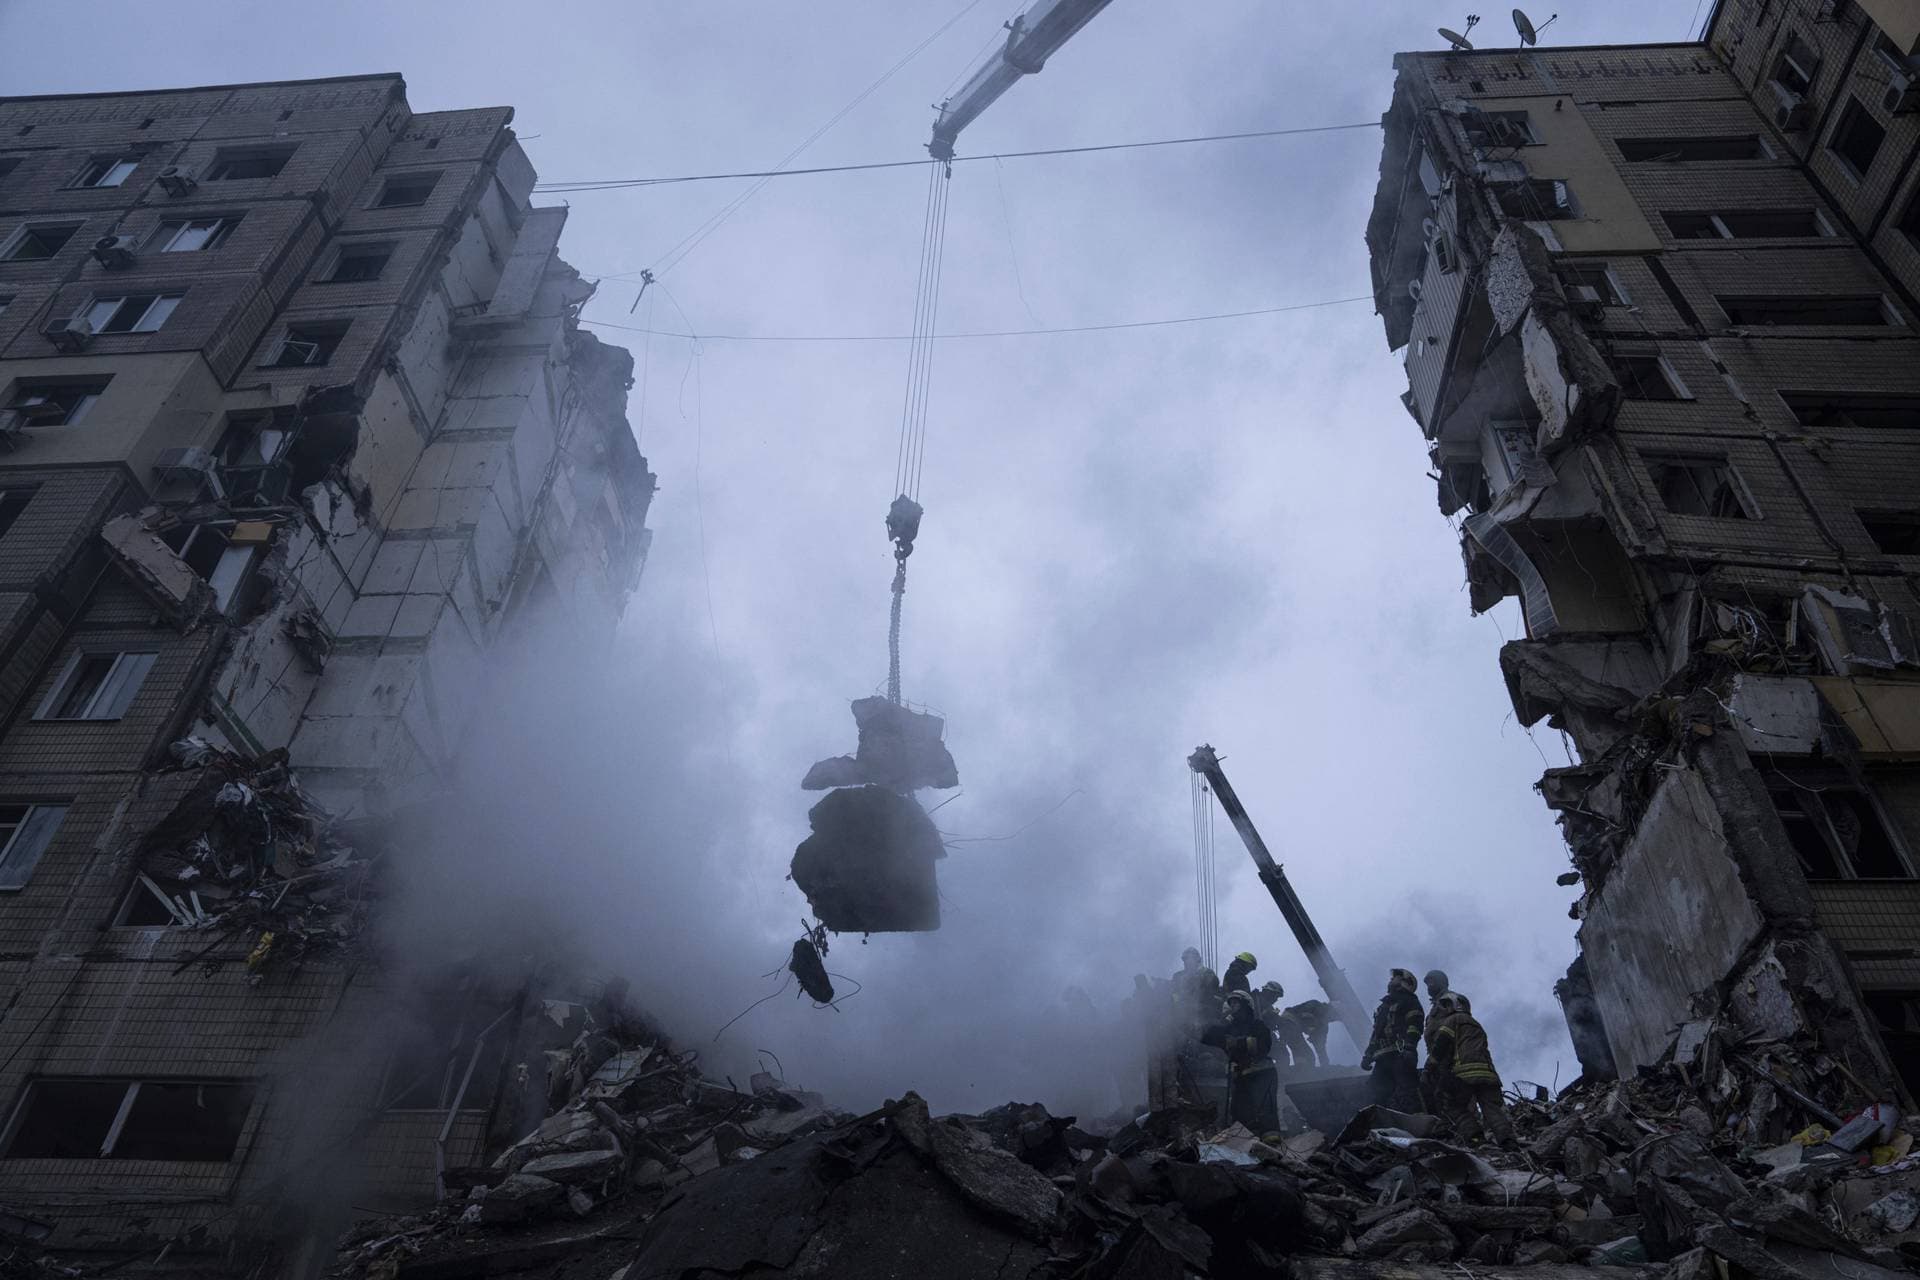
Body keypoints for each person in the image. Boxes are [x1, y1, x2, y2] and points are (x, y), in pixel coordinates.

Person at [1427, 993, 1515, 1145]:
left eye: (1447, 1005)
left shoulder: (1451, 1021)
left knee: (1454, 1105)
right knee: (1492, 1108)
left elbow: (1441, 1045)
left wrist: (1431, 1066)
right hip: (1488, 1074)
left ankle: (1476, 1137)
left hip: (1463, 1073)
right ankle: (1508, 1141)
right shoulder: (1476, 1024)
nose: (1445, 1009)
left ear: (1456, 1005)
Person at [1205, 991, 1279, 1135]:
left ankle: (1272, 1149)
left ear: (1246, 1005)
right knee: (1240, 1115)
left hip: (1262, 1074)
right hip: (1242, 1077)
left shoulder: (1257, 1025)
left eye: (1236, 1003)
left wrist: (1238, 1043)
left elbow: (1264, 1045)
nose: (1232, 1006)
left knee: (1265, 1116)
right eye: (1230, 1003)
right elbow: (1210, 1037)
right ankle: (1245, 1149)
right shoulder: (1229, 1028)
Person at [1361, 968, 1425, 1112]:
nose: (1391, 979)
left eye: (1395, 977)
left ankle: (1415, 1121)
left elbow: (1415, 1026)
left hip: (1400, 1055)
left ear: (1405, 982)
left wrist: (1409, 1047)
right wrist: (1368, 1054)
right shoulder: (1384, 1006)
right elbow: (1376, 1034)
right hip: (1382, 1057)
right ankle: (1381, 1123)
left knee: (1407, 1091)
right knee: (1375, 1092)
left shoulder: (1409, 1001)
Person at [1254, 981, 1313, 1072]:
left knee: (1281, 1054)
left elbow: (1271, 1023)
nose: (1276, 999)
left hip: (1265, 1035)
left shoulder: (1264, 1003)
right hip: (1257, 1036)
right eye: (1275, 996)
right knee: (1282, 1055)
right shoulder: (1256, 1001)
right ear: (1268, 992)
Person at [1171, 947, 1221, 1036]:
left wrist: (1201, 974)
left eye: (1191, 958)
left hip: (1205, 1011)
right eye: (1186, 959)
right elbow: (1173, 992)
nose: (1188, 961)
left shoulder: (1206, 973)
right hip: (1184, 1012)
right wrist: (1177, 1003)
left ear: (1197, 960)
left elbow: (1214, 985)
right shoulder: (1178, 976)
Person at [1282, 999, 1333, 1067]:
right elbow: (1304, 1017)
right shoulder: (1316, 1005)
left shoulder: (1323, 1025)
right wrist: (1312, 1030)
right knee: (1306, 1054)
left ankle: (1301, 1070)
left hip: (1291, 1026)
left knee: (1305, 1054)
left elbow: (1320, 1045)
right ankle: (1301, 1070)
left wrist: (1325, 1062)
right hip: (1289, 1022)